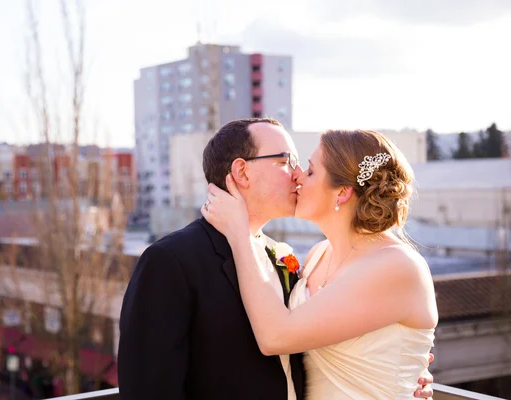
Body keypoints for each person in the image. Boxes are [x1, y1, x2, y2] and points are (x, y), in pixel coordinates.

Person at [118, 119, 434, 399]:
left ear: (343, 193)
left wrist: (403, 374)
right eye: (286, 161)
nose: (297, 174)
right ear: (242, 171)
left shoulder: (286, 257)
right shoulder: (171, 262)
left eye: (307, 167)